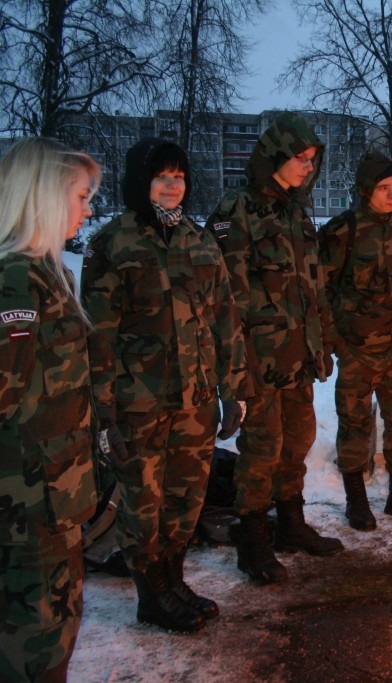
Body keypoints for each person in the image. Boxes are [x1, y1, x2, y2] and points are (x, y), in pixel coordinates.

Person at [80, 138, 251, 632]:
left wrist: (232, 389)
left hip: (195, 401)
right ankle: (150, 595)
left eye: (179, 177)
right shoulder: (113, 245)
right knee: (143, 503)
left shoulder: (199, 241)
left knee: (186, 499)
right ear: (142, 182)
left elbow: (224, 319)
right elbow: (98, 337)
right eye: (161, 177)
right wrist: (103, 412)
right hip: (139, 405)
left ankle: (173, 581)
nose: (172, 186)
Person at [206, 113, 342, 583]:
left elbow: (314, 287)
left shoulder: (297, 214)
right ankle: (253, 540)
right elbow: (224, 298)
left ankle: (290, 524)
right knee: (261, 450)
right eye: (301, 158)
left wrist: (322, 342)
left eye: (312, 160)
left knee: (298, 441)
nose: (308, 167)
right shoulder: (236, 211)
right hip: (258, 360)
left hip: (298, 357)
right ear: (275, 157)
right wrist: (235, 366)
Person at [0, 137, 101, 682]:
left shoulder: (48, 274)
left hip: (55, 498)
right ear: (43, 196)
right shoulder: (15, 282)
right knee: (35, 646)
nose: (87, 209)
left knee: (55, 634)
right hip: (25, 510)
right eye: (81, 196)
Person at [319, 149, 392, 531]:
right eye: (383, 186)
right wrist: (338, 341)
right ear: (365, 188)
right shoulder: (342, 231)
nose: (391, 193)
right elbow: (322, 291)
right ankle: (356, 500)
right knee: (354, 424)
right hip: (357, 350)